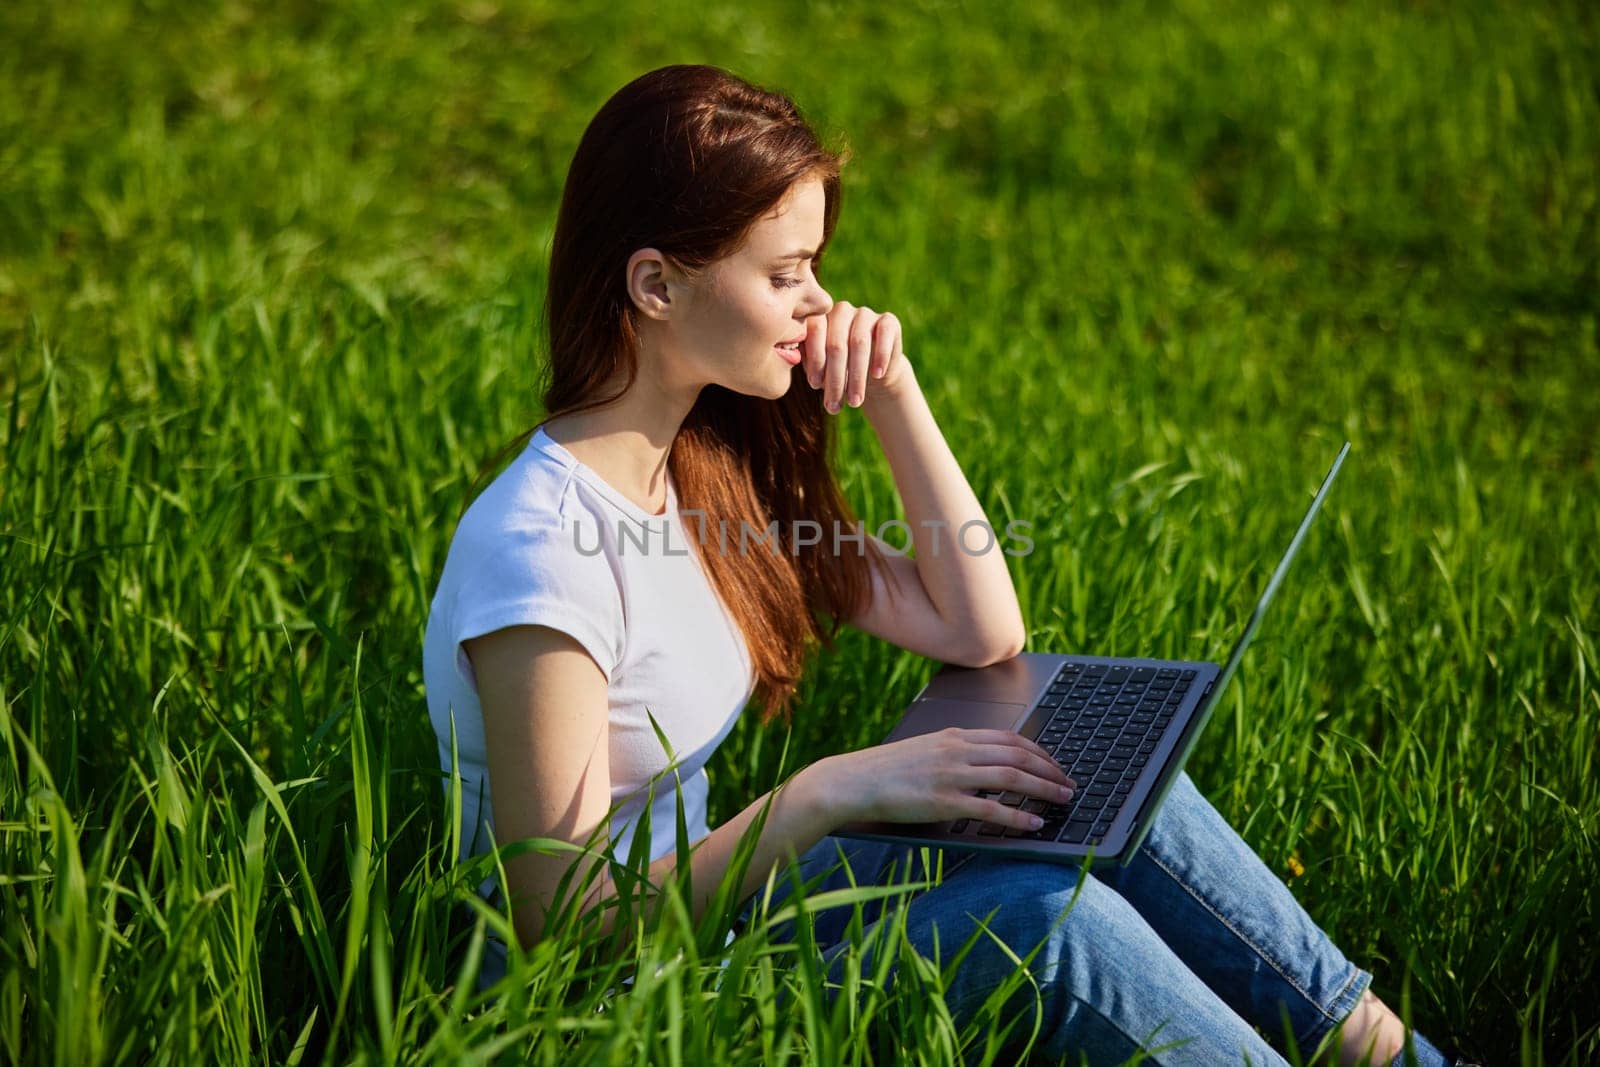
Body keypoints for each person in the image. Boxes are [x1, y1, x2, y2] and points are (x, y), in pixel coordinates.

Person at [421, 63, 1464, 1065]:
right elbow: (563, 925)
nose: (816, 305)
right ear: (655, 283)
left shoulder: (702, 482)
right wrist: (823, 793)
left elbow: (979, 632)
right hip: (620, 1014)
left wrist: (895, 393)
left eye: (816, 268)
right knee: (1046, 922)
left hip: (717, 931)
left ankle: (1400, 1058)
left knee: (1086, 771)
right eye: (784, 274)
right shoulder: (544, 552)